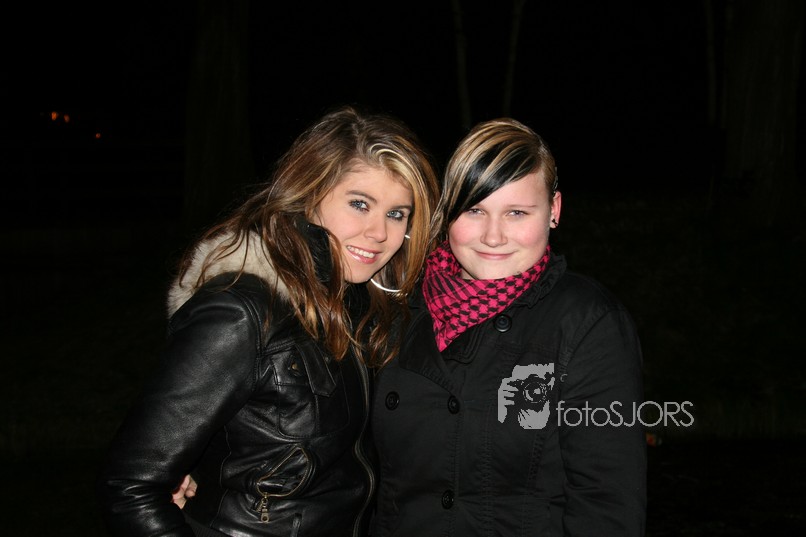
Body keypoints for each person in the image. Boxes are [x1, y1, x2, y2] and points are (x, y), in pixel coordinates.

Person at [96, 105, 440, 537]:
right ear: (309, 194)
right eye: (359, 204)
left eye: (397, 213)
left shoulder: (357, 304)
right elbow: (129, 487)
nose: (379, 233)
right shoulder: (242, 312)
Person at [369, 118, 647, 536]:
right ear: (447, 212)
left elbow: (607, 504)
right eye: (474, 210)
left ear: (554, 210)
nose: (493, 236)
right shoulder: (398, 307)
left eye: (517, 212)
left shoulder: (588, 322)